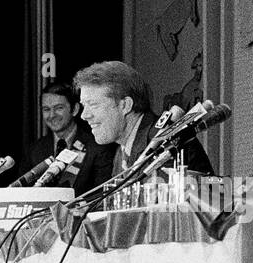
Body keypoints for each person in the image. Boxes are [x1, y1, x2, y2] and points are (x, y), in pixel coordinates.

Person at [73, 60, 214, 176]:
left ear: (125, 105)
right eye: (84, 105)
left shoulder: (164, 141)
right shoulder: (121, 151)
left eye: (93, 105)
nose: (84, 115)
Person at [15, 81, 113, 195]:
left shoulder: (97, 146)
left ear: (75, 109)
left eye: (59, 108)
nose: (52, 115)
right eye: (46, 109)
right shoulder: (34, 150)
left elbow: (102, 195)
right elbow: (21, 194)